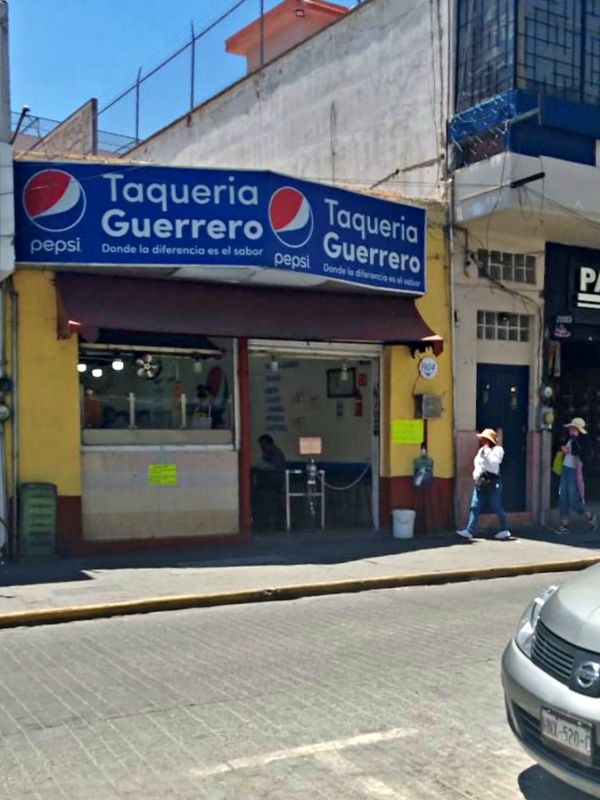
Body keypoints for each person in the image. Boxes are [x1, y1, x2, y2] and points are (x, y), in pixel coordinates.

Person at [456, 427, 511, 541]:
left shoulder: (498, 450)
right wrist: (476, 475)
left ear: (489, 440)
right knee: (475, 506)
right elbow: (477, 463)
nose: (482, 441)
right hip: (481, 481)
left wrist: (487, 451)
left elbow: (494, 463)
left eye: (484, 439)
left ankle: (504, 529)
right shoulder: (481, 451)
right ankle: (469, 530)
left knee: (496, 506)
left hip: (493, 481)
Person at [555, 417, 598, 535]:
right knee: (563, 497)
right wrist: (564, 448)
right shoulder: (569, 438)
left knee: (573, 500)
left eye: (573, 428)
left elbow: (582, 453)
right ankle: (564, 524)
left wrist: (571, 448)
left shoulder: (582, 440)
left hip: (575, 471)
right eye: (571, 428)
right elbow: (559, 445)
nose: (571, 430)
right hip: (565, 468)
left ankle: (590, 516)